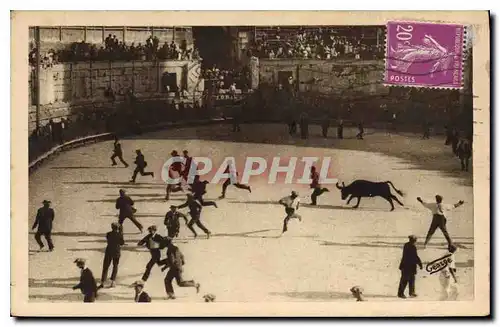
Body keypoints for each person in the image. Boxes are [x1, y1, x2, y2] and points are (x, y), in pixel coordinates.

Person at [99, 222, 124, 289]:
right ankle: (113, 281)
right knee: (115, 266)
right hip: (116, 252)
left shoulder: (108, 234)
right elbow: (122, 243)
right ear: (118, 228)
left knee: (106, 266)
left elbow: (108, 239)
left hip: (109, 251)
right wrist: (121, 233)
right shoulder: (120, 234)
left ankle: (102, 282)